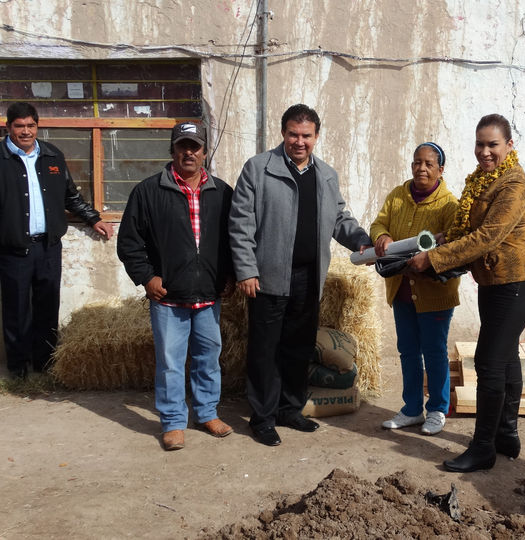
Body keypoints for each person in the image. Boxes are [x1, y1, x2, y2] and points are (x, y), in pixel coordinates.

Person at [229, 104, 372, 446]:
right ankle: (262, 418)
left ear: (316, 137)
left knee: (298, 348)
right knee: (265, 350)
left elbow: (340, 219)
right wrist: (247, 269)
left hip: (309, 278)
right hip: (268, 277)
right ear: (283, 133)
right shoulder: (259, 169)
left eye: (306, 135)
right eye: (293, 134)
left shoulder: (325, 175)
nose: (299, 141)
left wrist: (365, 241)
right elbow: (240, 224)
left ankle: (289, 409)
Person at [409, 114, 525, 472]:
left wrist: (434, 259)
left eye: (493, 145)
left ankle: (483, 447)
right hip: (493, 282)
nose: (485, 152)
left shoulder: (513, 186)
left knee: (488, 361)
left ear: (509, 146)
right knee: (504, 356)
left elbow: (487, 237)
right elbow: (468, 225)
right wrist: (444, 239)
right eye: (480, 144)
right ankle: (506, 434)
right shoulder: (483, 180)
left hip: (518, 284)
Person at [117, 122, 235, 451]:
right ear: (172, 151)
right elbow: (129, 242)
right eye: (182, 146)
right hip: (168, 297)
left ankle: (207, 412)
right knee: (170, 361)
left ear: (204, 152)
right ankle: (172, 422)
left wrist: (229, 274)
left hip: (209, 296)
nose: (189, 152)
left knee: (208, 358)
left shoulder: (223, 192)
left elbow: (232, 240)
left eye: (195, 146)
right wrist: (146, 277)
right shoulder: (149, 191)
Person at [0, 102, 114, 380]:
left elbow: (70, 195)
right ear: (8, 127)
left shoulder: (52, 155)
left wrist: (93, 218)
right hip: (13, 248)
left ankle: (45, 363)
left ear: (37, 127)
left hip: (49, 247)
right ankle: (18, 368)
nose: (25, 132)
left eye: (30, 126)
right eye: (19, 126)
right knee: (16, 310)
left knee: (48, 306)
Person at [370, 142, 460, 436]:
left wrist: (431, 254)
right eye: (417, 162)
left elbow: (455, 243)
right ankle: (411, 409)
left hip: (434, 293)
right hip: (402, 290)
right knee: (408, 351)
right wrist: (381, 235)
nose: (421, 168)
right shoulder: (398, 195)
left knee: (434, 351)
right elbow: (379, 222)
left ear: (440, 170)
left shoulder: (449, 204)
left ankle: (436, 409)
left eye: (429, 164)